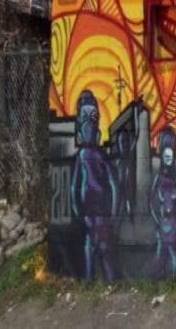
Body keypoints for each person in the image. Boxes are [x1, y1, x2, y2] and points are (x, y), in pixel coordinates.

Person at [70, 89, 119, 281]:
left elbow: (113, 184)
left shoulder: (99, 156)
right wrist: (78, 210)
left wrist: (113, 211)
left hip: (100, 213)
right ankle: (92, 281)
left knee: (101, 247)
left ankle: (107, 280)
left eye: (93, 117)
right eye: (85, 118)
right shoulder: (82, 156)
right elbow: (74, 187)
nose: (89, 124)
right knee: (91, 247)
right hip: (89, 213)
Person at [148, 125, 176, 277]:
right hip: (162, 223)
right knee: (162, 254)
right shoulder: (159, 178)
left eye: (171, 148)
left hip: (172, 222)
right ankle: (166, 277)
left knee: (171, 252)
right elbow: (150, 202)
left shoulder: (175, 179)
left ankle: (174, 277)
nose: (168, 153)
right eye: (165, 147)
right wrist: (156, 222)